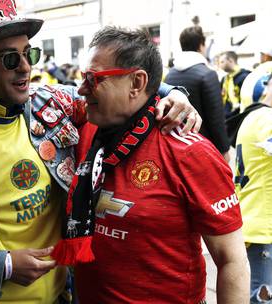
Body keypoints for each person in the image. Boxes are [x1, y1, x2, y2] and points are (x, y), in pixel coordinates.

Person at [0, 1, 200, 303]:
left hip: (66, 293)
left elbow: (113, 91)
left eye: (29, 53)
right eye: (10, 58)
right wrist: (3, 266)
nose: (25, 67)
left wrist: (171, 92)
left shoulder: (52, 106)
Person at [52, 26, 250, 303]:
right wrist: (173, 89)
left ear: (136, 83)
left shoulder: (190, 152)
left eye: (93, 79)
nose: (81, 88)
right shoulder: (85, 129)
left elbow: (232, 260)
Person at [231, 74, 272, 303]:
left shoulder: (253, 116)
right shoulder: (267, 118)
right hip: (263, 226)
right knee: (261, 297)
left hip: (252, 218)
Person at [165, 26, 230, 161]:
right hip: (203, 146)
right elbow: (216, 118)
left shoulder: (171, 74)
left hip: (175, 143)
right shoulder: (207, 74)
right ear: (201, 45)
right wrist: (224, 149)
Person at [218, 51, 251, 117]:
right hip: (226, 116)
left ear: (230, 60)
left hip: (239, 115)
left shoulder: (245, 76)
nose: (220, 65)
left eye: (222, 62)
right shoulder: (224, 79)